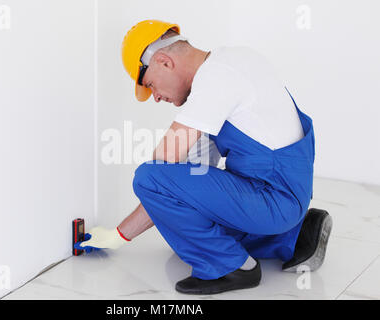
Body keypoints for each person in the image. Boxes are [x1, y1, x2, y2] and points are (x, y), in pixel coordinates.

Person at [75, 19, 333, 295]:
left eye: (150, 85)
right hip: (281, 195)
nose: (155, 98)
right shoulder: (231, 63)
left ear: (164, 61)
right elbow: (189, 177)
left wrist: (120, 234)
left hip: (273, 198)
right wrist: (119, 236)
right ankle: (295, 236)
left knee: (149, 176)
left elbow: (161, 170)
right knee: (182, 229)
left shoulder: (218, 79)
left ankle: (231, 267)